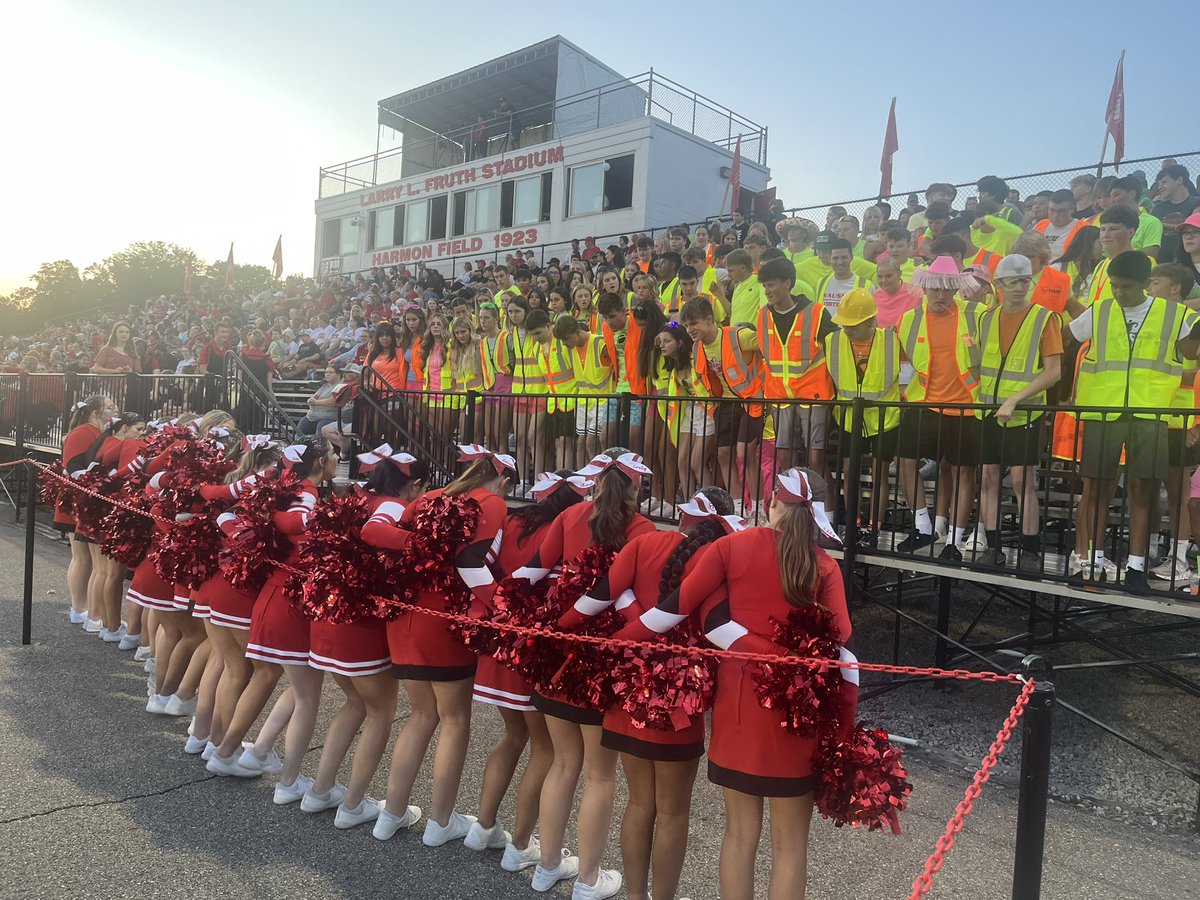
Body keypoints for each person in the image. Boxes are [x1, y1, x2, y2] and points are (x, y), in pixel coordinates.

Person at [614, 468, 852, 900]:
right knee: (791, 847)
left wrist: (610, 642)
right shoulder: (824, 565)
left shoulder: (730, 546)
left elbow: (672, 611)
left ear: (772, 503)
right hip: (799, 715)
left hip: (740, 708)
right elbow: (841, 640)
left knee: (739, 836)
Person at [560, 487, 743, 900]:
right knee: (673, 812)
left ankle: (635, 896)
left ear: (683, 516)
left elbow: (596, 599)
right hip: (678, 704)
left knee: (639, 805)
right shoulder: (715, 560)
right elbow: (716, 628)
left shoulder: (642, 544)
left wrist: (559, 628)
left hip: (628, 692)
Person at [510, 451, 657, 900]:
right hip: (601, 661)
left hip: (556, 651)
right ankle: (589, 880)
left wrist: (526, 619)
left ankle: (548, 865)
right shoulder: (641, 528)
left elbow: (530, 573)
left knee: (562, 761)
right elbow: (634, 600)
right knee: (599, 774)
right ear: (636, 487)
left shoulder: (571, 514)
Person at [362, 444, 515, 843]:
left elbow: (379, 532)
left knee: (419, 715)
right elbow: (470, 565)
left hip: (405, 616)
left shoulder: (430, 497)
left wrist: (420, 549)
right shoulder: (492, 503)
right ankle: (440, 822)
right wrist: (504, 608)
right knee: (454, 719)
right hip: (441, 620)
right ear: (501, 478)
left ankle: (390, 814)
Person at [468, 473, 584, 872]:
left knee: (514, 734)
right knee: (545, 748)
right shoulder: (566, 529)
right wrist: (516, 613)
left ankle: (482, 827)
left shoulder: (510, 522)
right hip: (531, 647)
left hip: (498, 644)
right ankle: (520, 845)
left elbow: (475, 566)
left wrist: (498, 607)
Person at [208, 438, 338, 786]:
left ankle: (232, 746)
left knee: (263, 675)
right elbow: (299, 522)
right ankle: (237, 756)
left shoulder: (280, 485)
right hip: (280, 594)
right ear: (322, 461)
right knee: (276, 679)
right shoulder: (306, 490)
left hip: (263, 589)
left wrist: (232, 522)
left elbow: (219, 503)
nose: (339, 458)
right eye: (335, 453)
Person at [1068, 251, 1200, 589]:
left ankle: (1137, 568)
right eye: (1113, 285)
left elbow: (1191, 352)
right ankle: (1091, 564)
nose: (1117, 292)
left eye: (1125, 287)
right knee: (1097, 488)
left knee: (1143, 489)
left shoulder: (1173, 315)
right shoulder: (1099, 310)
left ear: (1145, 284)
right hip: (1103, 411)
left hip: (1150, 413)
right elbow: (1069, 339)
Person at [975, 255, 1063, 573]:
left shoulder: (1044, 318)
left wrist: (1015, 399)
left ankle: (1030, 550)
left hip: (1023, 414)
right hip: (989, 411)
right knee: (988, 479)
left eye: (1025, 280)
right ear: (999, 285)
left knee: (1021, 479)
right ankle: (993, 546)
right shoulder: (987, 318)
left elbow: (1053, 372)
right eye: (1013, 282)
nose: (1021, 287)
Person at [895, 257, 983, 561]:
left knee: (963, 472)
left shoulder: (977, 314)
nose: (941, 294)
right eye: (934, 288)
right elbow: (905, 361)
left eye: (947, 288)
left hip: (967, 407)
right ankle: (922, 526)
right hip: (924, 403)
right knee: (906, 460)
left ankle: (954, 543)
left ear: (956, 288)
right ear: (924, 287)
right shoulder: (908, 319)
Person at [756, 258, 836, 522]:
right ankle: (791, 516)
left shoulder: (816, 313)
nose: (767, 291)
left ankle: (828, 518)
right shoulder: (762, 315)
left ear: (787, 284)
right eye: (765, 286)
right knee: (785, 460)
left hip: (814, 396)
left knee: (816, 458)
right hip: (780, 398)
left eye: (771, 285)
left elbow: (837, 348)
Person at [824, 289, 901, 547]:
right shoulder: (832, 341)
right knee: (850, 471)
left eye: (853, 325)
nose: (846, 329)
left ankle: (874, 529)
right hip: (848, 418)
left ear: (870, 322)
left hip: (884, 418)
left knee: (880, 474)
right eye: (844, 324)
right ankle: (854, 526)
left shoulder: (892, 340)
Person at [681, 296, 766, 518]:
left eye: (694, 323)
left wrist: (770, 384)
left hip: (751, 400)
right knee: (723, 455)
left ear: (709, 320)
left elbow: (771, 346)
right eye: (686, 325)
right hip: (725, 403)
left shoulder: (739, 336)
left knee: (745, 453)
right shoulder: (697, 347)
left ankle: (758, 510)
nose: (690, 329)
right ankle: (737, 509)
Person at [1109, 177, 1164, 259]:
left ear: (1132, 194)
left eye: (1116, 195)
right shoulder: (1108, 223)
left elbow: (1151, 254)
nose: (1111, 201)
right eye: (1110, 196)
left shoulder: (1151, 222)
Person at [1034, 190, 1089, 260]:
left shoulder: (1083, 228)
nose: (1055, 215)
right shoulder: (1041, 225)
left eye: (1061, 211)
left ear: (1072, 208)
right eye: (1052, 210)